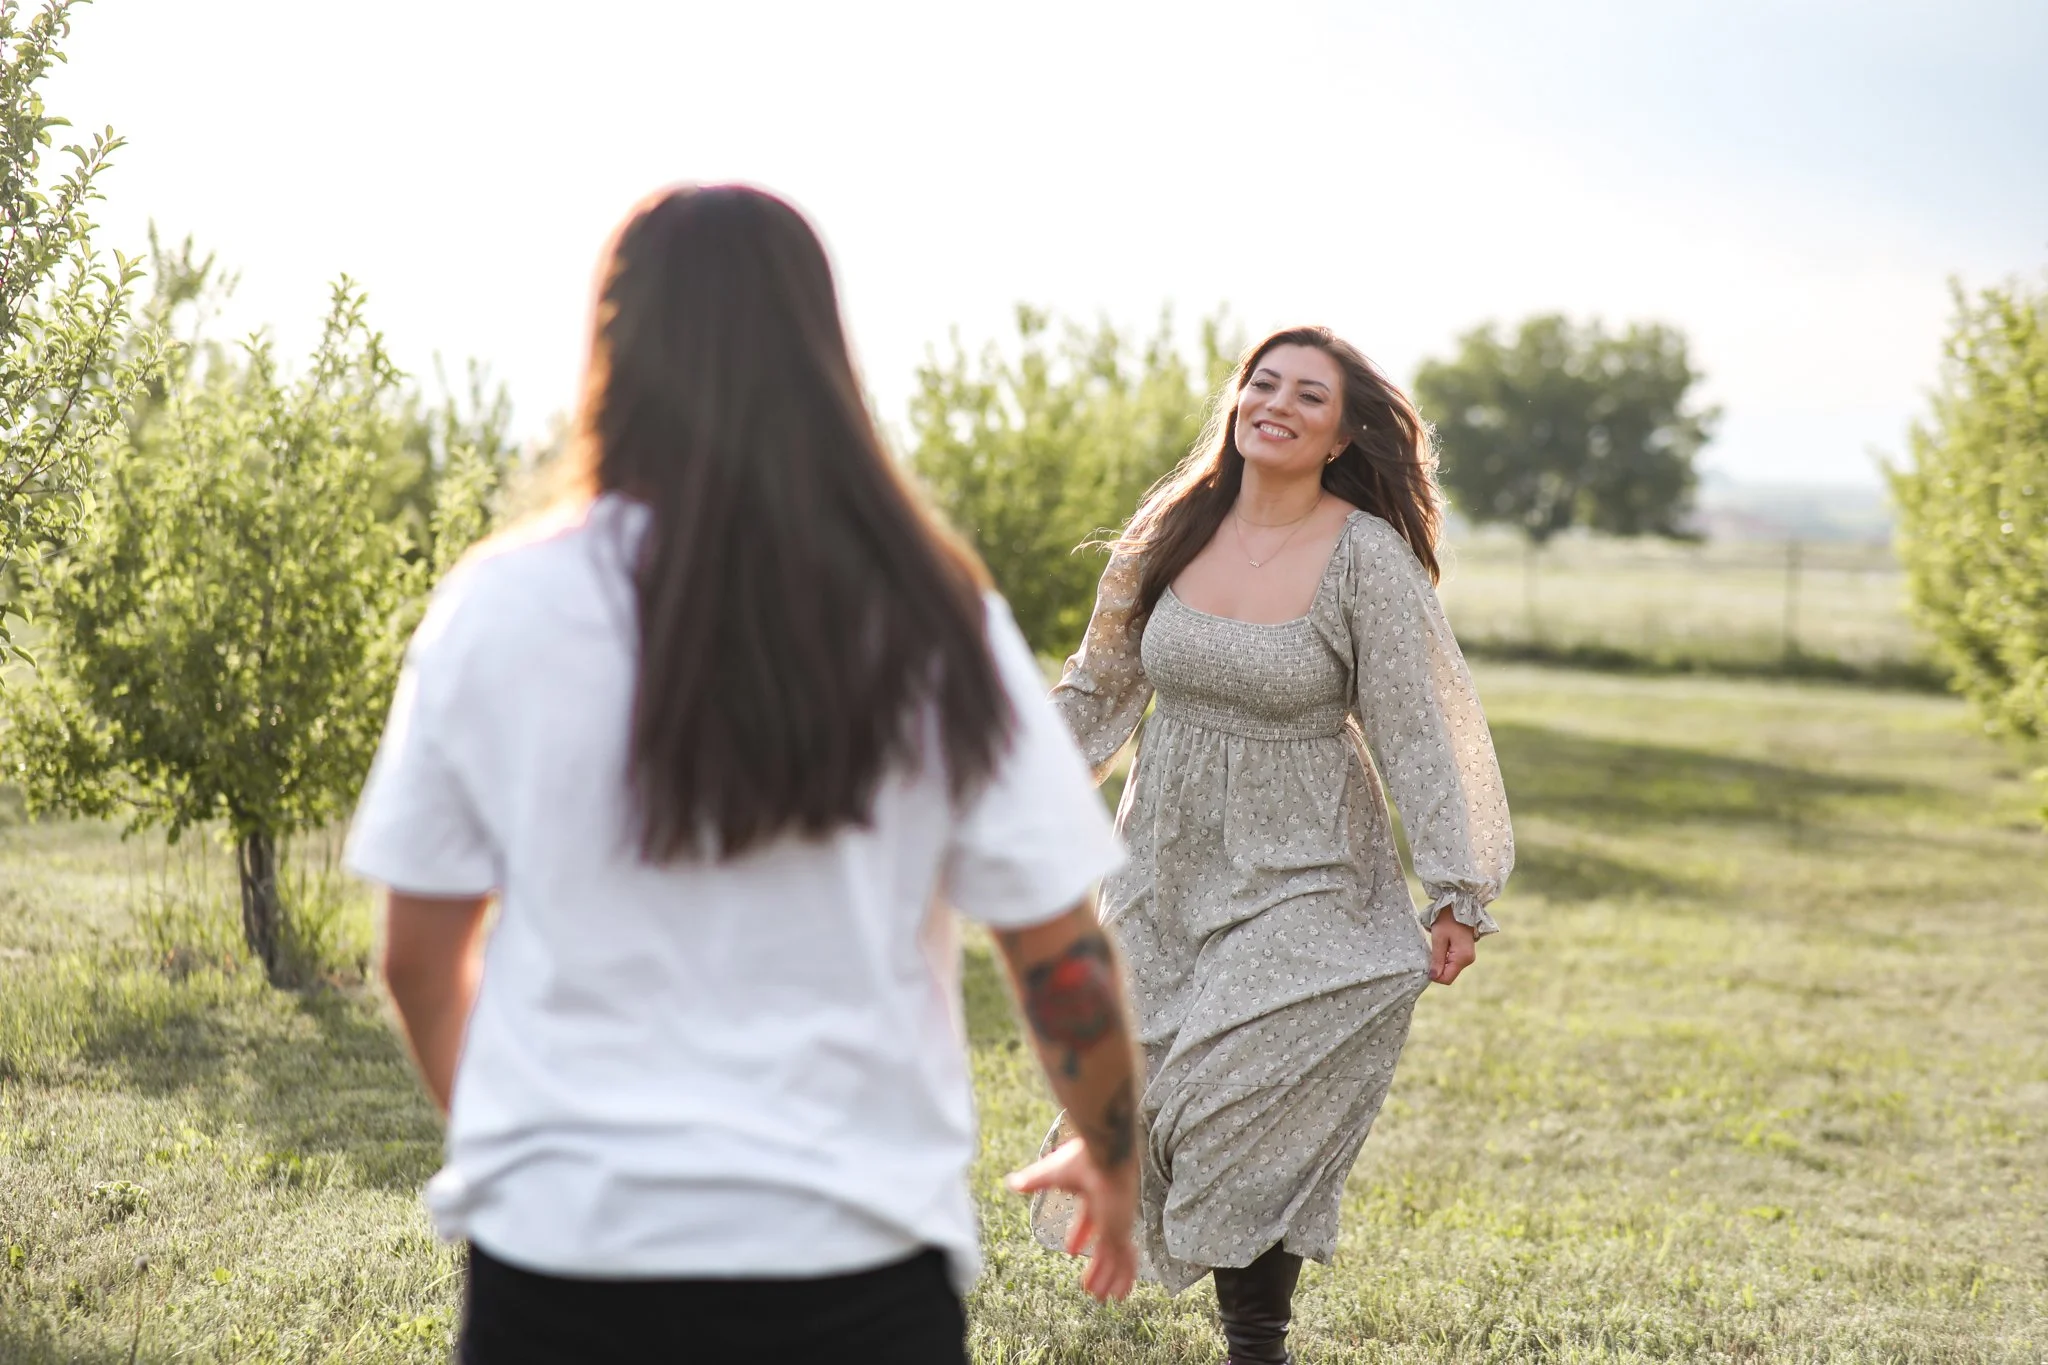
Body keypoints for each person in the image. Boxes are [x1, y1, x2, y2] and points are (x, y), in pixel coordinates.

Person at [345, 183, 1141, 1365]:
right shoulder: (933, 618)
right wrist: (1110, 1151)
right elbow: (1054, 954)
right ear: (821, 353)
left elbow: (417, 957)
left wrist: (539, 1150)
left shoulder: (497, 607)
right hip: (853, 1269)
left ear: (611, 347)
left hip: (561, 1267)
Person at [1036, 326, 1515, 1364]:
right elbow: (1097, 684)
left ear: (1342, 435)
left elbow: (1416, 727)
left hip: (1306, 867)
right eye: (1263, 384)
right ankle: (1249, 1325)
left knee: (1234, 1090)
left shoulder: (1364, 559)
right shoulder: (1172, 525)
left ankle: (1257, 1342)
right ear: (1236, 400)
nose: (1277, 405)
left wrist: (1455, 887)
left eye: (1307, 396)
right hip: (1164, 862)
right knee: (1149, 1090)